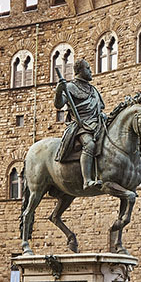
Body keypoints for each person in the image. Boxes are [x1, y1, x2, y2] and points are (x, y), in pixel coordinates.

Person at [54, 58, 106, 189]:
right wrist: (59, 91)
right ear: (79, 71)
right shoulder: (70, 87)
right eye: (88, 68)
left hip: (97, 123)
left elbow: (99, 107)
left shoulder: (93, 89)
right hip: (81, 126)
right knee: (89, 144)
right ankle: (87, 180)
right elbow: (59, 104)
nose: (90, 71)